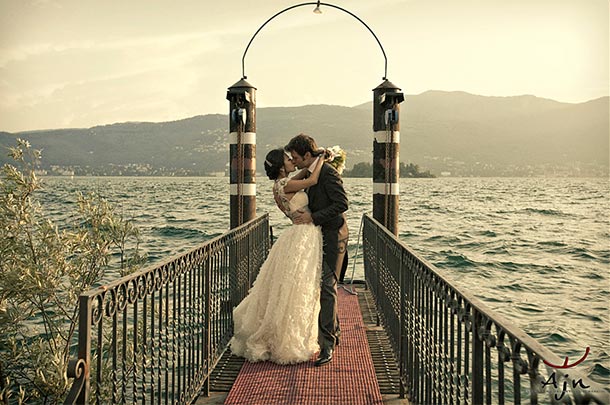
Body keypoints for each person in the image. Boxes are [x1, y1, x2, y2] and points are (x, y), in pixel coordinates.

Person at [229, 147, 326, 365]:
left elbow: (303, 174)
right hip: (303, 234)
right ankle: (286, 338)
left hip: (298, 233)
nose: (292, 160)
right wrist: (321, 158)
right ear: (281, 166)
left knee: (292, 285)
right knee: (298, 284)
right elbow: (312, 180)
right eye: (288, 159)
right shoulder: (285, 184)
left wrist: (313, 160)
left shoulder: (281, 184)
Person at [285, 134, 349, 367]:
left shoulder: (329, 173)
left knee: (327, 288)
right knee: (324, 287)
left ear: (308, 155)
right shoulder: (312, 172)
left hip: (334, 236)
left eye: (296, 158)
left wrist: (313, 217)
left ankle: (327, 346)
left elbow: (342, 204)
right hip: (316, 237)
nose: (294, 162)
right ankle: (335, 332)